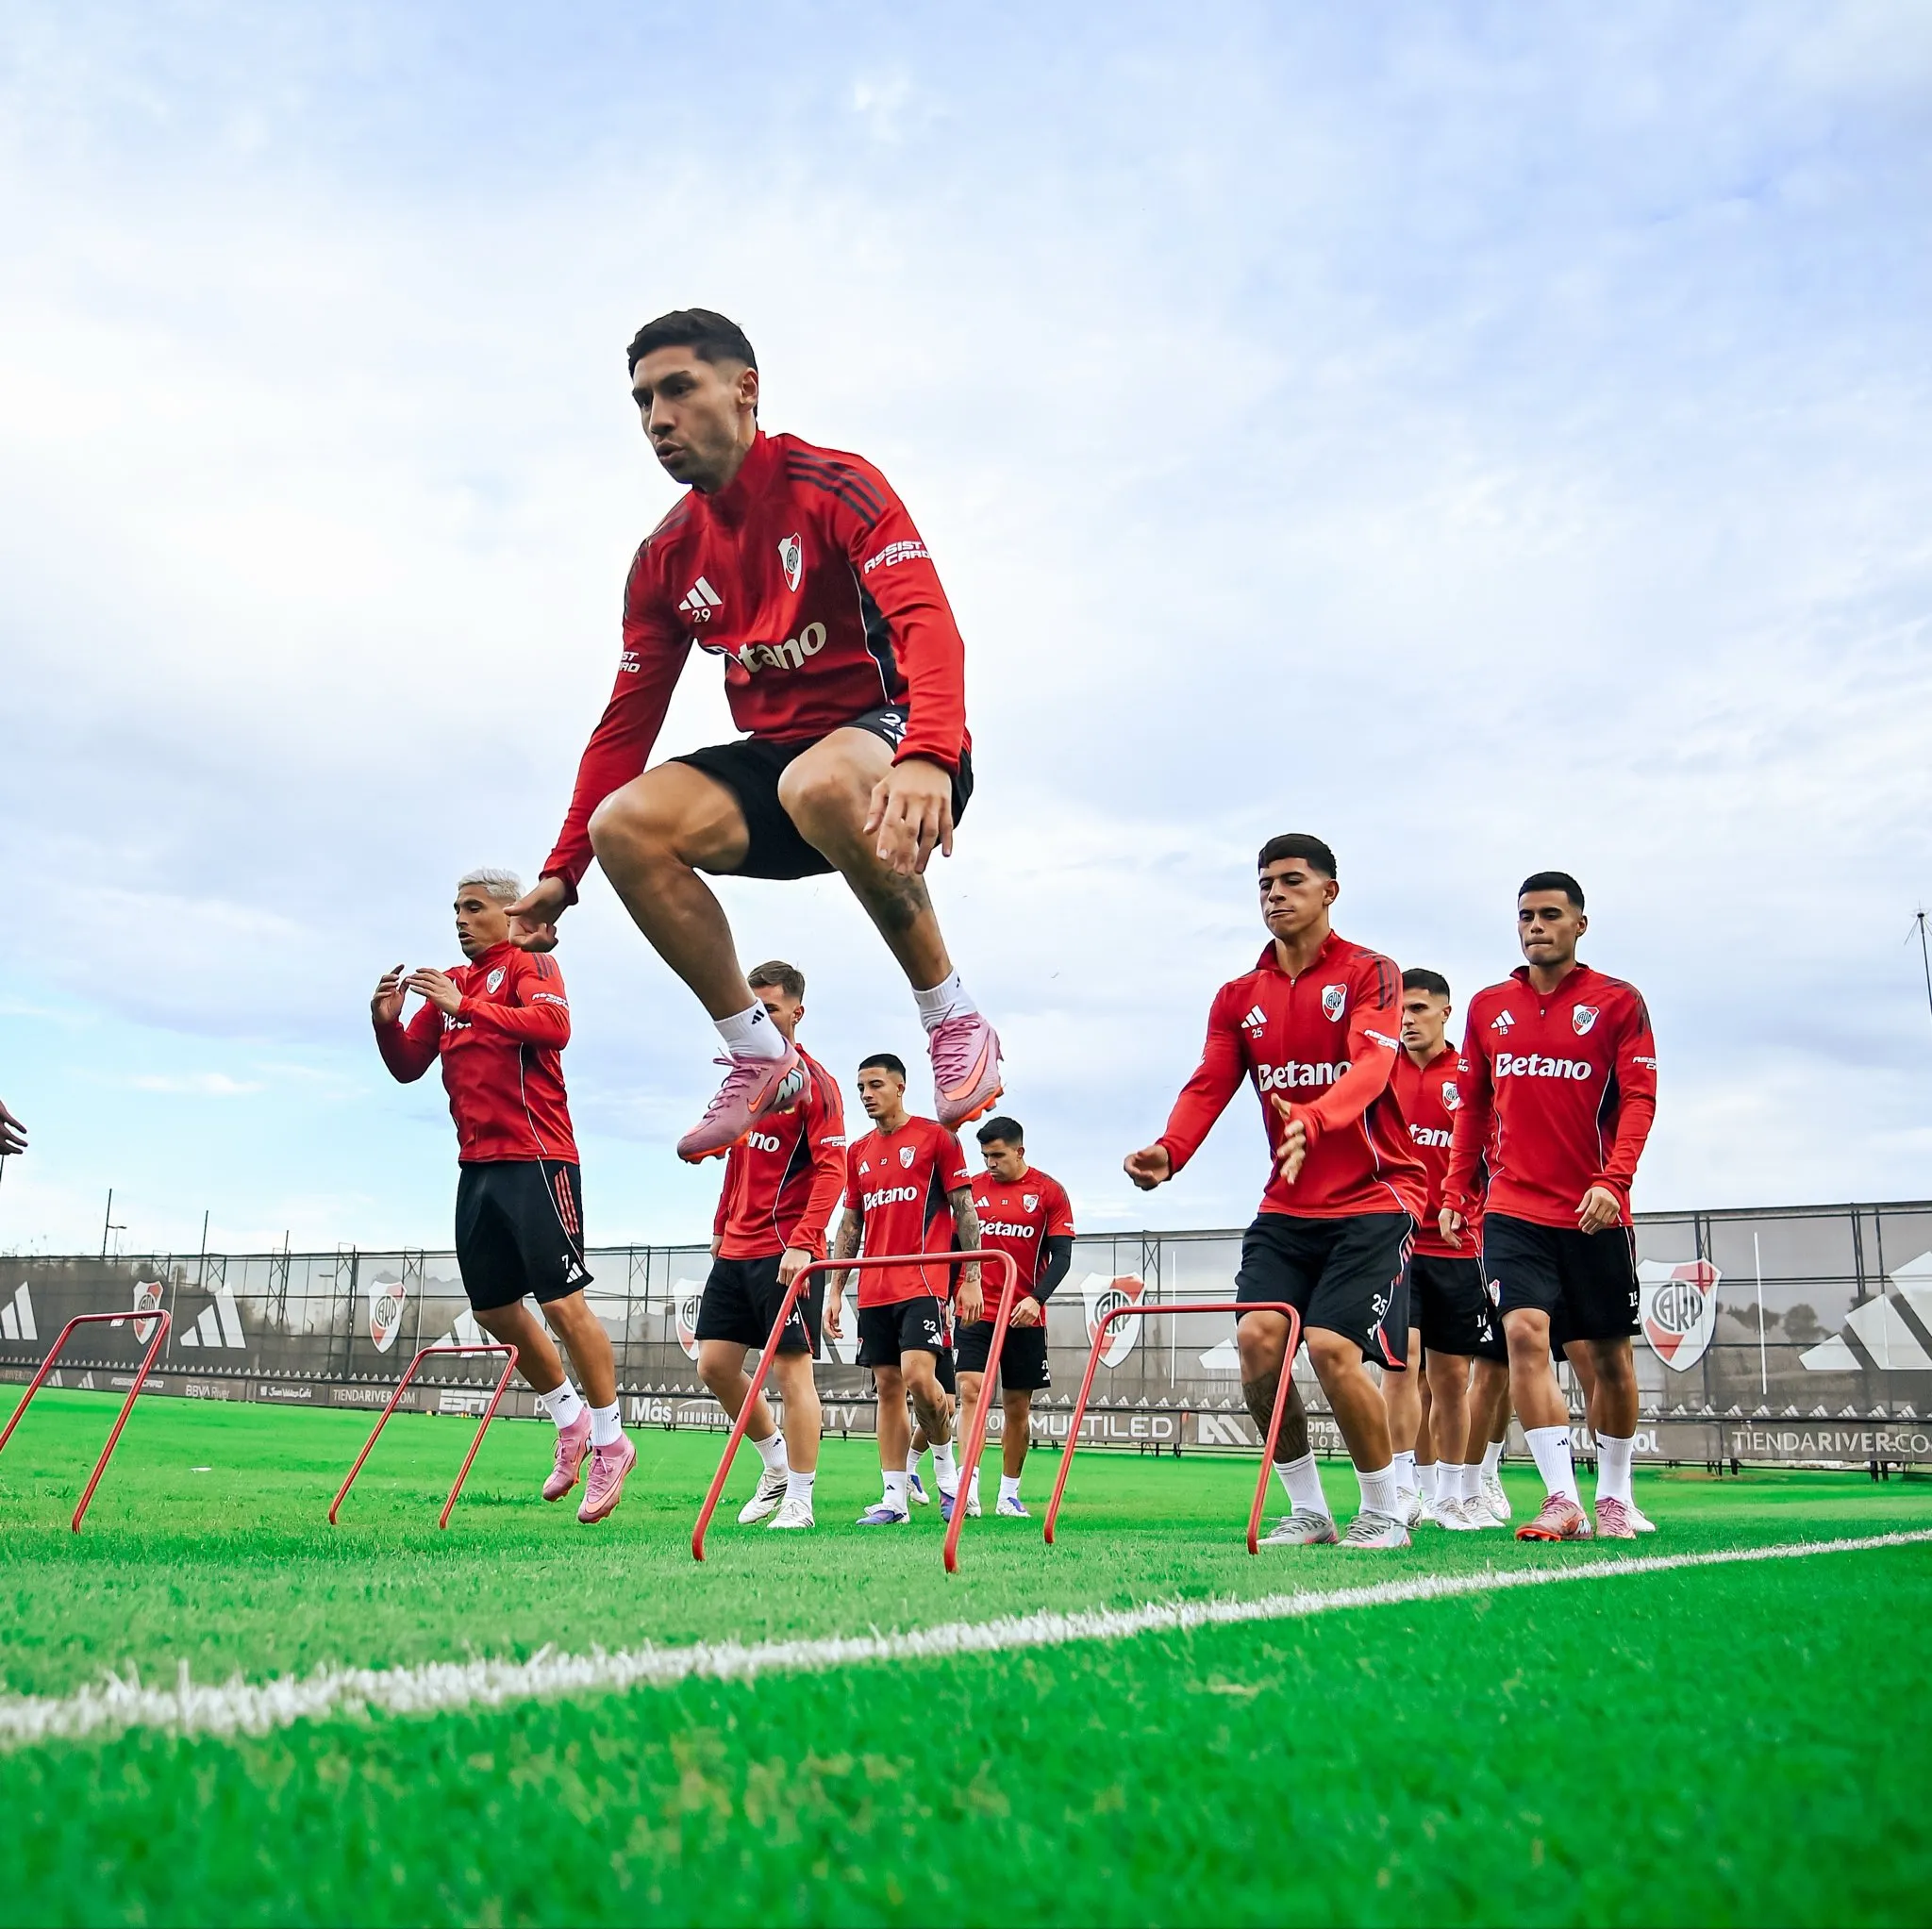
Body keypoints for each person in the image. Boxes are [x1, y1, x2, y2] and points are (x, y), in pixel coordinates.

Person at [507, 309, 1003, 1162]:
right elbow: (626, 722)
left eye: (677, 389)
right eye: (641, 403)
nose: (656, 419)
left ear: (745, 391)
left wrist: (930, 750)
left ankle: (952, 1013)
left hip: (894, 747)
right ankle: (759, 1053)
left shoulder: (835, 485)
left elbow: (929, 624)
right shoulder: (665, 557)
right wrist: (562, 872)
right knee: (622, 823)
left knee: (821, 780)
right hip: (783, 775)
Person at [1124, 835, 1426, 1550]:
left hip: (1375, 1198)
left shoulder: (1370, 972)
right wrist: (1170, 1151)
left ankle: (1386, 1508)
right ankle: (1310, 1511)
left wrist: (1317, 1118)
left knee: (1328, 1347)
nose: (1275, 894)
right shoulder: (1238, 997)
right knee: (1258, 1339)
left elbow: (1373, 1069)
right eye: (1265, 884)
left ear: (1330, 891)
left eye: (1292, 880)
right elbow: (1209, 1085)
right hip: (1287, 1204)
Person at [371, 870, 635, 1523]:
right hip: (477, 1167)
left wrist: (469, 1009)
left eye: (473, 907)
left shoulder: (530, 963)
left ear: (508, 913)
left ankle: (611, 1440)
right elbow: (409, 1064)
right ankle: (570, 1419)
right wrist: (386, 1023)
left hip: (538, 1159)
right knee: (492, 1308)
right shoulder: (450, 986)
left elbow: (553, 1028)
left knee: (564, 1305)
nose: (460, 919)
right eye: (455, 908)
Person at [1441, 872, 1658, 1541]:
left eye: (1550, 915)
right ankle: (1562, 1497)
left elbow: (1640, 1100)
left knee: (1609, 1358)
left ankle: (1616, 1495)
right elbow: (1473, 1105)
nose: (1536, 926)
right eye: (1526, 916)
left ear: (1579, 925)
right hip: (1511, 1210)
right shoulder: (1486, 1007)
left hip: (1595, 1210)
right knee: (1524, 1334)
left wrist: (1613, 1182)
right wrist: (1455, 1189)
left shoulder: (1618, 1003)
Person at [694, 961, 846, 1533]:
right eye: (754, 1011)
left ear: (796, 1013)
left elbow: (833, 1170)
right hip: (735, 1248)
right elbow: (737, 1158)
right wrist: (720, 1224)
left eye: (773, 1010)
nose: (762, 1020)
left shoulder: (815, 1083)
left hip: (787, 1251)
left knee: (790, 1373)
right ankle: (776, 1466)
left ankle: (801, 1500)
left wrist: (806, 1243)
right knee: (714, 1366)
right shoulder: (746, 1079)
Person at [825, 1055, 981, 1524]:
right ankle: (894, 1499)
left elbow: (965, 1209)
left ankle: (946, 1471)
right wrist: (836, 1289)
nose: (866, 1095)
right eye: (860, 1088)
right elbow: (851, 1223)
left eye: (875, 1085)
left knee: (918, 1378)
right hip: (874, 1287)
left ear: (900, 1087)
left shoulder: (937, 1139)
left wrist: (971, 1278)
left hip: (925, 1281)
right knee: (887, 1388)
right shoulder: (859, 1151)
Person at [1389, 968, 1491, 1530]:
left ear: (1445, 1013)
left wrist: (1464, 1202)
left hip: (1458, 1245)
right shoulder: (1378, 1073)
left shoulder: (1468, 1076)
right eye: (1400, 1010)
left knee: (1451, 1378)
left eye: (1419, 1009)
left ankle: (1451, 1494)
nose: (1407, 1019)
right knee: (1399, 1368)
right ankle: (1403, 1489)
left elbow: (1485, 1152)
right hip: (1397, 1247)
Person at [957, 1115, 1075, 1518]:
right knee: (970, 1391)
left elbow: (1062, 1256)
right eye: (985, 1156)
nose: (990, 1163)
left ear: (1019, 1151)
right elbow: (953, 1245)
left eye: (998, 1155)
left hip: (1024, 1317)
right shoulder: (969, 1190)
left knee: (1016, 1408)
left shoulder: (1048, 1192)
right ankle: (967, 1485)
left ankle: (1008, 1493)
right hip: (975, 1311)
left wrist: (1037, 1299)